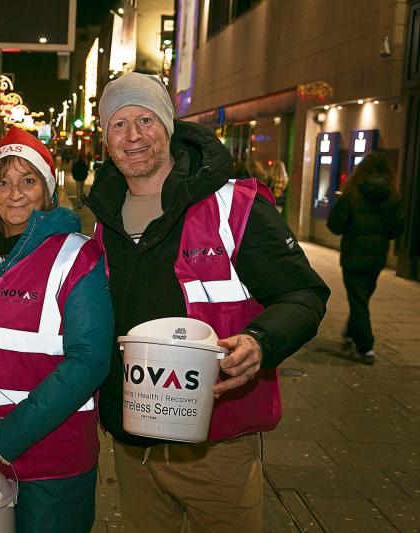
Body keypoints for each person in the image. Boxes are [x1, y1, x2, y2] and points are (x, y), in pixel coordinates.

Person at [83, 72, 330, 533]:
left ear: (168, 126)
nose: (133, 135)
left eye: (146, 119)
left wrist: (260, 342)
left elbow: (305, 293)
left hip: (217, 447)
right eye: (118, 124)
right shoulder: (101, 219)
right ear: (105, 137)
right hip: (133, 446)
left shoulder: (232, 206)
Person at [0, 127, 114, 532]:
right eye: (3, 181)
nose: (14, 193)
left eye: (28, 181)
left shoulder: (77, 256)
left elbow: (90, 360)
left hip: (52, 464)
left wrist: (10, 435)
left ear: (46, 190)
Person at [327, 151, 403, 364]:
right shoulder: (392, 197)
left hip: (353, 256)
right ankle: (352, 333)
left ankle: (365, 346)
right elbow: (396, 230)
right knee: (361, 298)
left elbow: (335, 226)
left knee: (358, 300)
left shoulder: (352, 194)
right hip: (376, 259)